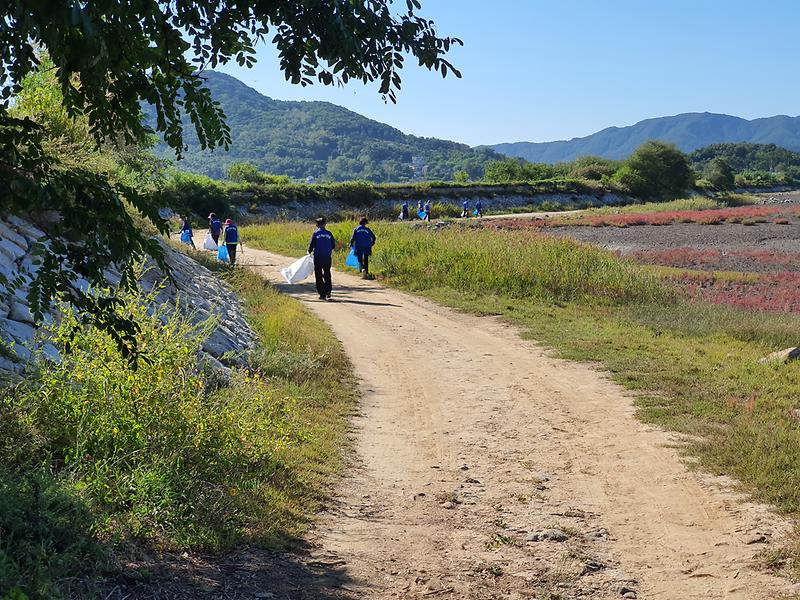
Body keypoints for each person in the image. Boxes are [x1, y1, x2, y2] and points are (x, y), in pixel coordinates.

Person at [309, 217, 335, 300]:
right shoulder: (329, 233)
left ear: (317, 225)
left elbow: (311, 245)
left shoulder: (316, 234)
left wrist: (309, 252)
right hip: (327, 258)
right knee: (327, 274)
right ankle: (328, 291)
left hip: (318, 258)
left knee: (319, 275)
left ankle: (322, 294)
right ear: (325, 224)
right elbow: (333, 245)